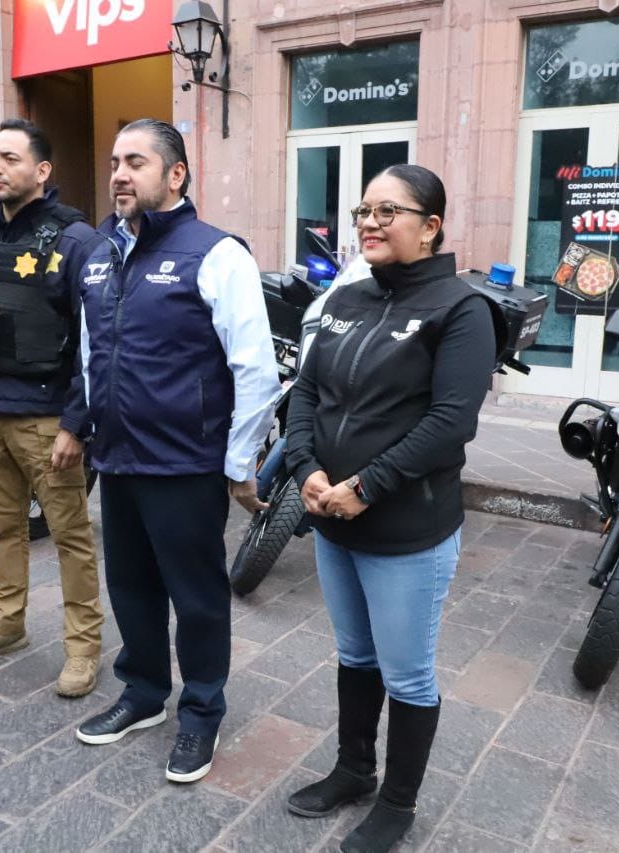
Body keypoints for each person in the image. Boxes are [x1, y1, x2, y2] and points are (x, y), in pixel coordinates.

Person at [283, 165, 496, 853]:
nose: (369, 223)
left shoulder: (461, 310)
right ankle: (353, 770)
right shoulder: (347, 297)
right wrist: (305, 467)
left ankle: (397, 804)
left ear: (430, 227)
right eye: (363, 210)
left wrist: (366, 486)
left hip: (406, 531)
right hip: (332, 517)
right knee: (355, 654)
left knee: (406, 673)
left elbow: (450, 423)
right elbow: (307, 390)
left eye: (387, 211)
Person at [73, 119, 279, 783]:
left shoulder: (216, 254)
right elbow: (90, 354)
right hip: (118, 459)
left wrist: (238, 463)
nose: (119, 174)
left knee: (197, 599)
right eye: (115, 162)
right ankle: (142, 694)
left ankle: (201, 713)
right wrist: (88, 428)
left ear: (176, 174)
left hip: (185, 463)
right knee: (130, 587)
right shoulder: (101, 254)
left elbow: (255, 369)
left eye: (136, 162)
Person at [0, 119, 104, 696]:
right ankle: (8, 625)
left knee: (70, 537)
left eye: (10, 157)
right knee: (4, 529)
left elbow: (95, 343)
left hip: (45, 419)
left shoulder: (76, 242)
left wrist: (76, 424)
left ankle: (82, 647)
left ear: (42, 170)